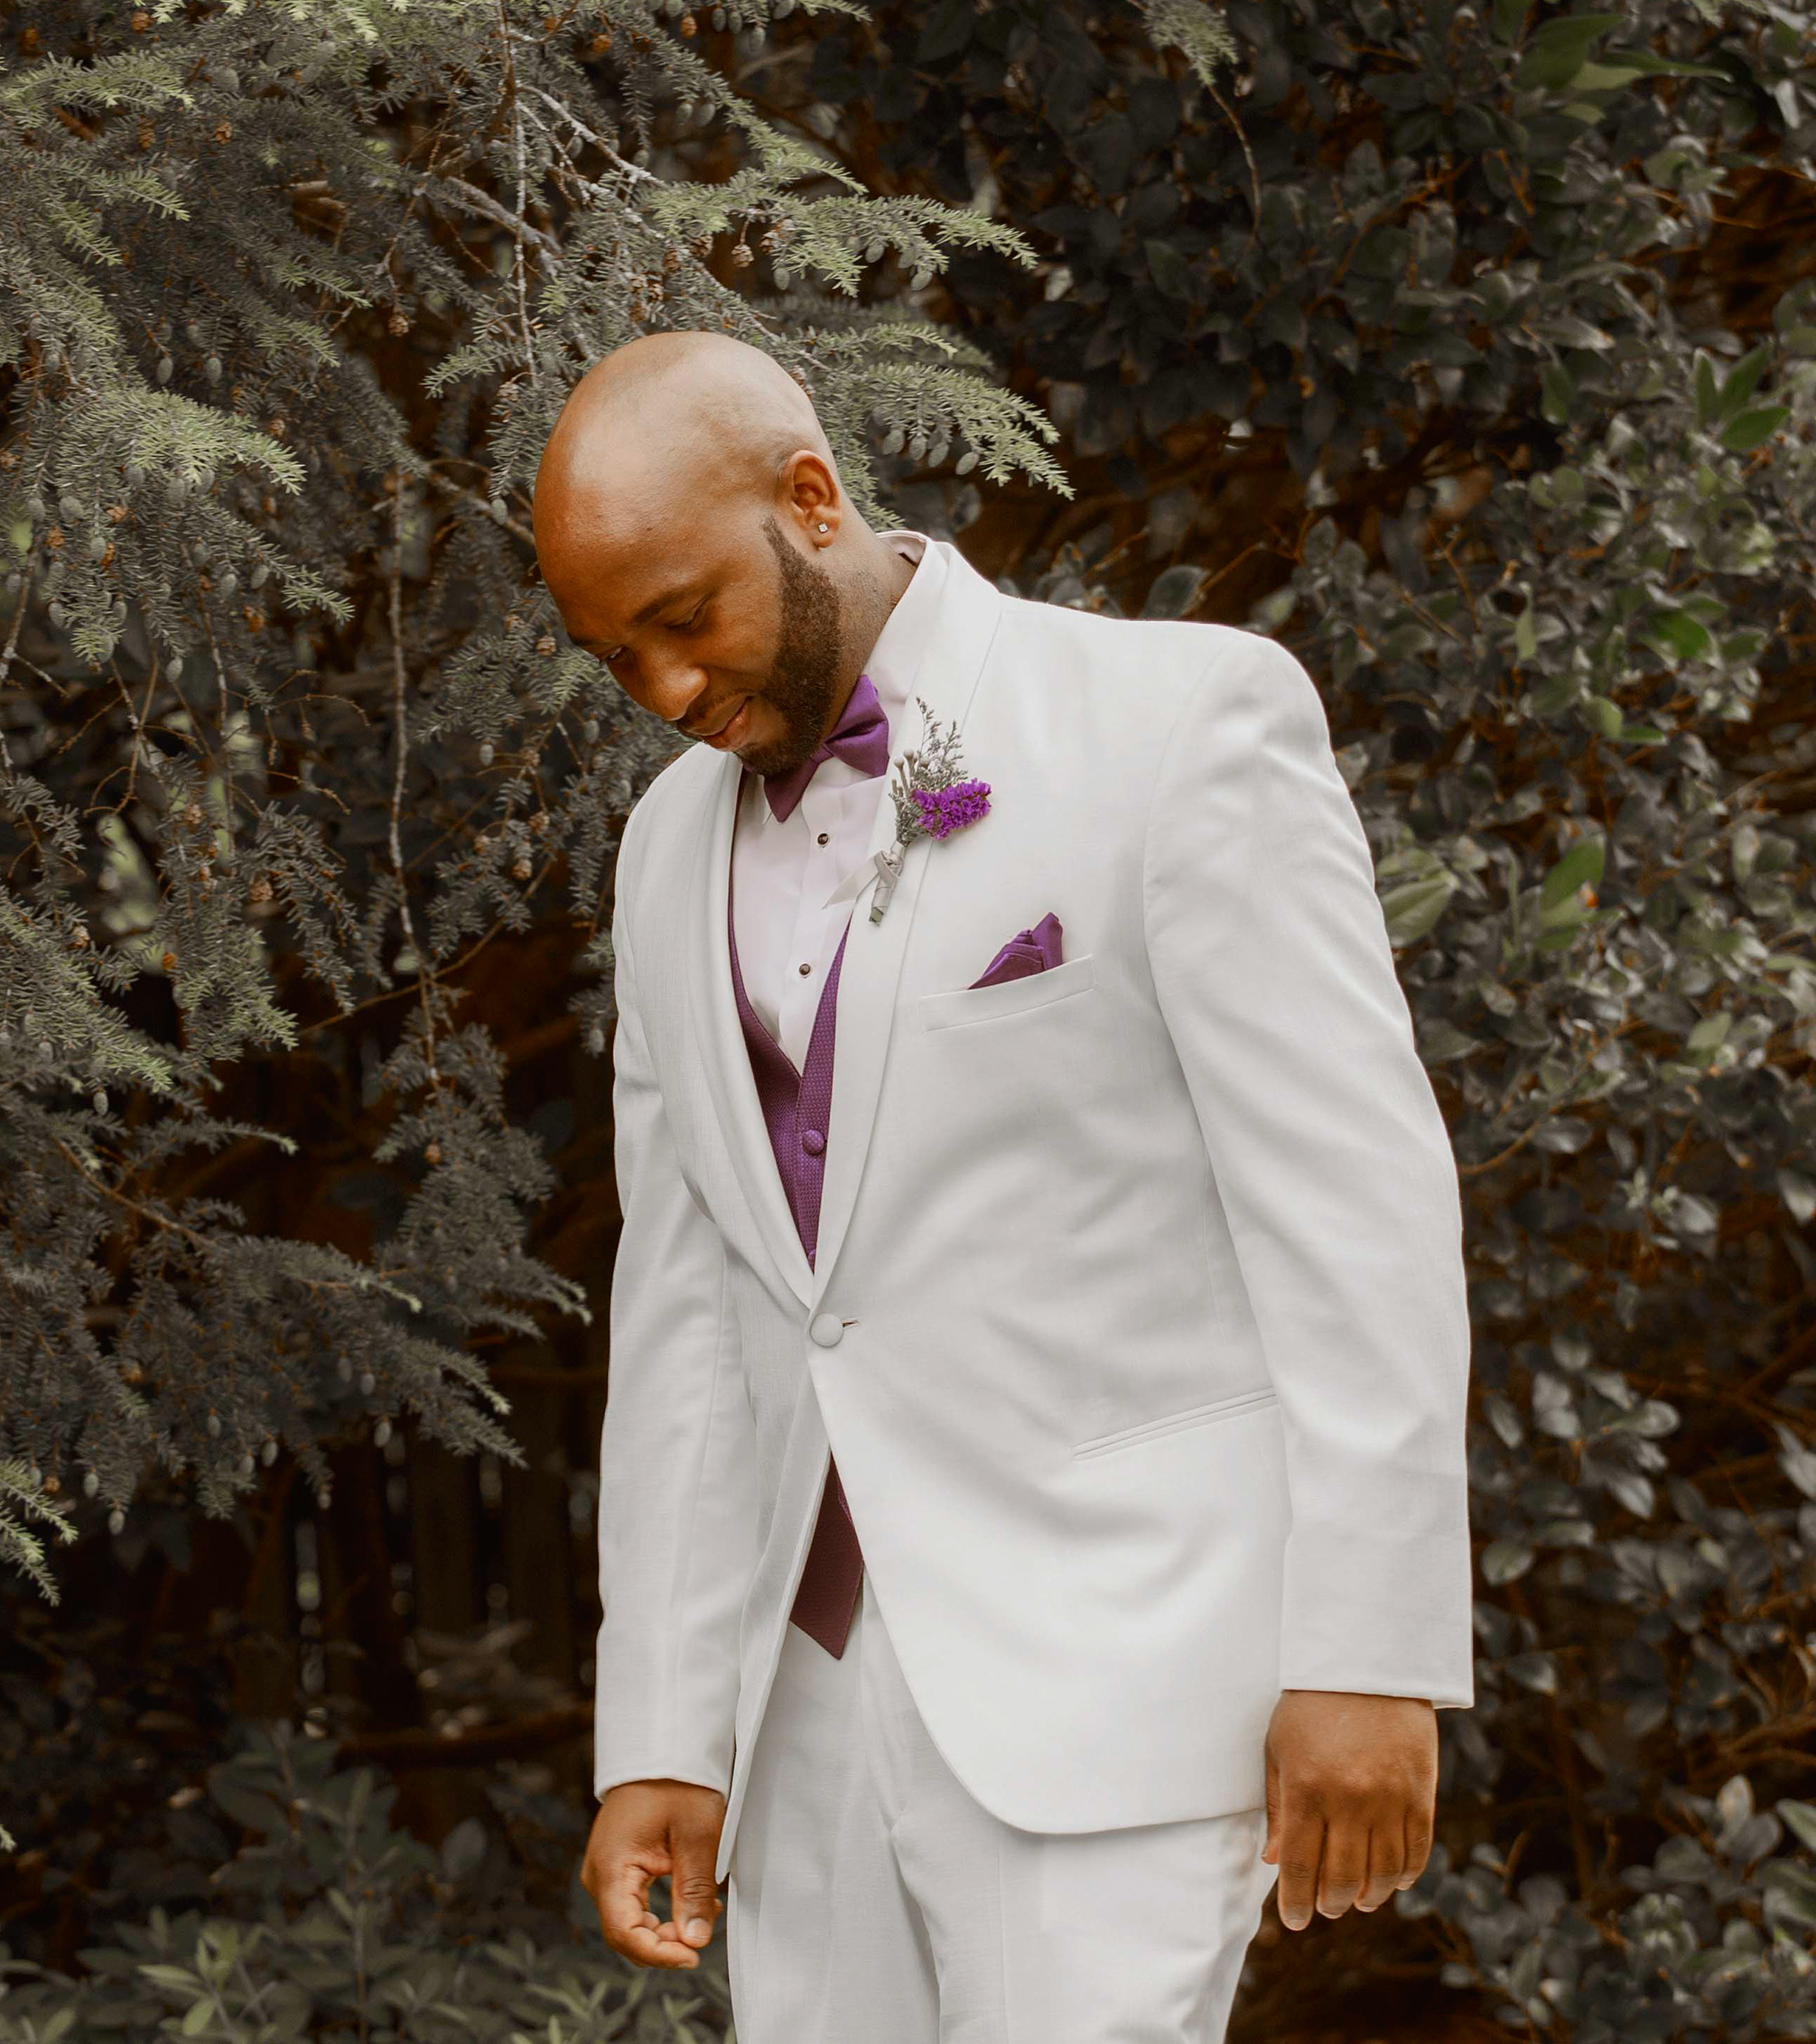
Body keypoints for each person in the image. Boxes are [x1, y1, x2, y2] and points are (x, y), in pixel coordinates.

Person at [533, 330, 1471, 2042]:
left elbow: (1356, 1217)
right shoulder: (663, 850)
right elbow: (687, 1308)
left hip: (1115, 1660)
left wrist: (1370, 1652)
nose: (664, 688)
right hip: (806, 1710)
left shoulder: (1174, 723)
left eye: (684, 618)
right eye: (617, 658)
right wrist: (663, 1736)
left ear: (810, 499)